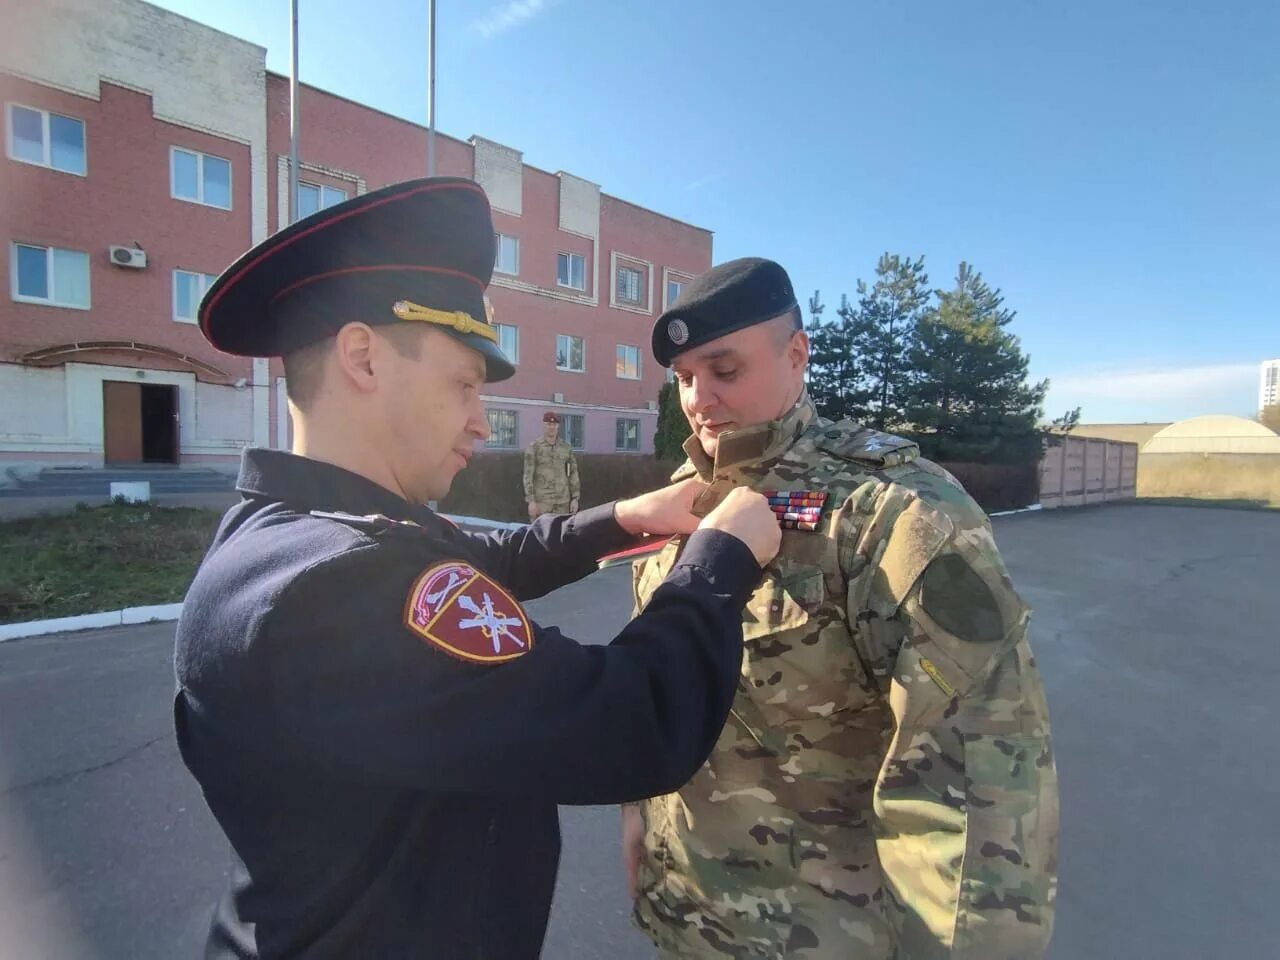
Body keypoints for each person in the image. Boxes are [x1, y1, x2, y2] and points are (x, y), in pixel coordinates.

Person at [172, 178, 782, 959]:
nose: (480, 419)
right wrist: (718, 562)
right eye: (463, 382)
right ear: (362, 357)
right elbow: (631, 721)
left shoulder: (306, 531)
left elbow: (473, 560)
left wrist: (626, 517)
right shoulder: (329, 586)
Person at [622, 257, 1059, 959]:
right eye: (683, 378)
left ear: (797, 354)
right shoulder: (680, 500)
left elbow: (975, 796)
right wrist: (639, 813)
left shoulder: (896, 514)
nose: (698, 399)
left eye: (724, 370)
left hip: (820, 934)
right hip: (689, 914)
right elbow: (661, 681)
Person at [523, 410, 580, 518]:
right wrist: (531, 501)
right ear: (544, 425)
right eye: (549, 424)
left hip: (563, 503)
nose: (552, 427)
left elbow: (572, 473)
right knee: (541, 534)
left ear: (558, 426)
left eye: (554, 424)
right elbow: (528, 475)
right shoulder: (534, 447)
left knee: (561, 533)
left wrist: (575, 498)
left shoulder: (566, 447)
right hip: (542, 504)